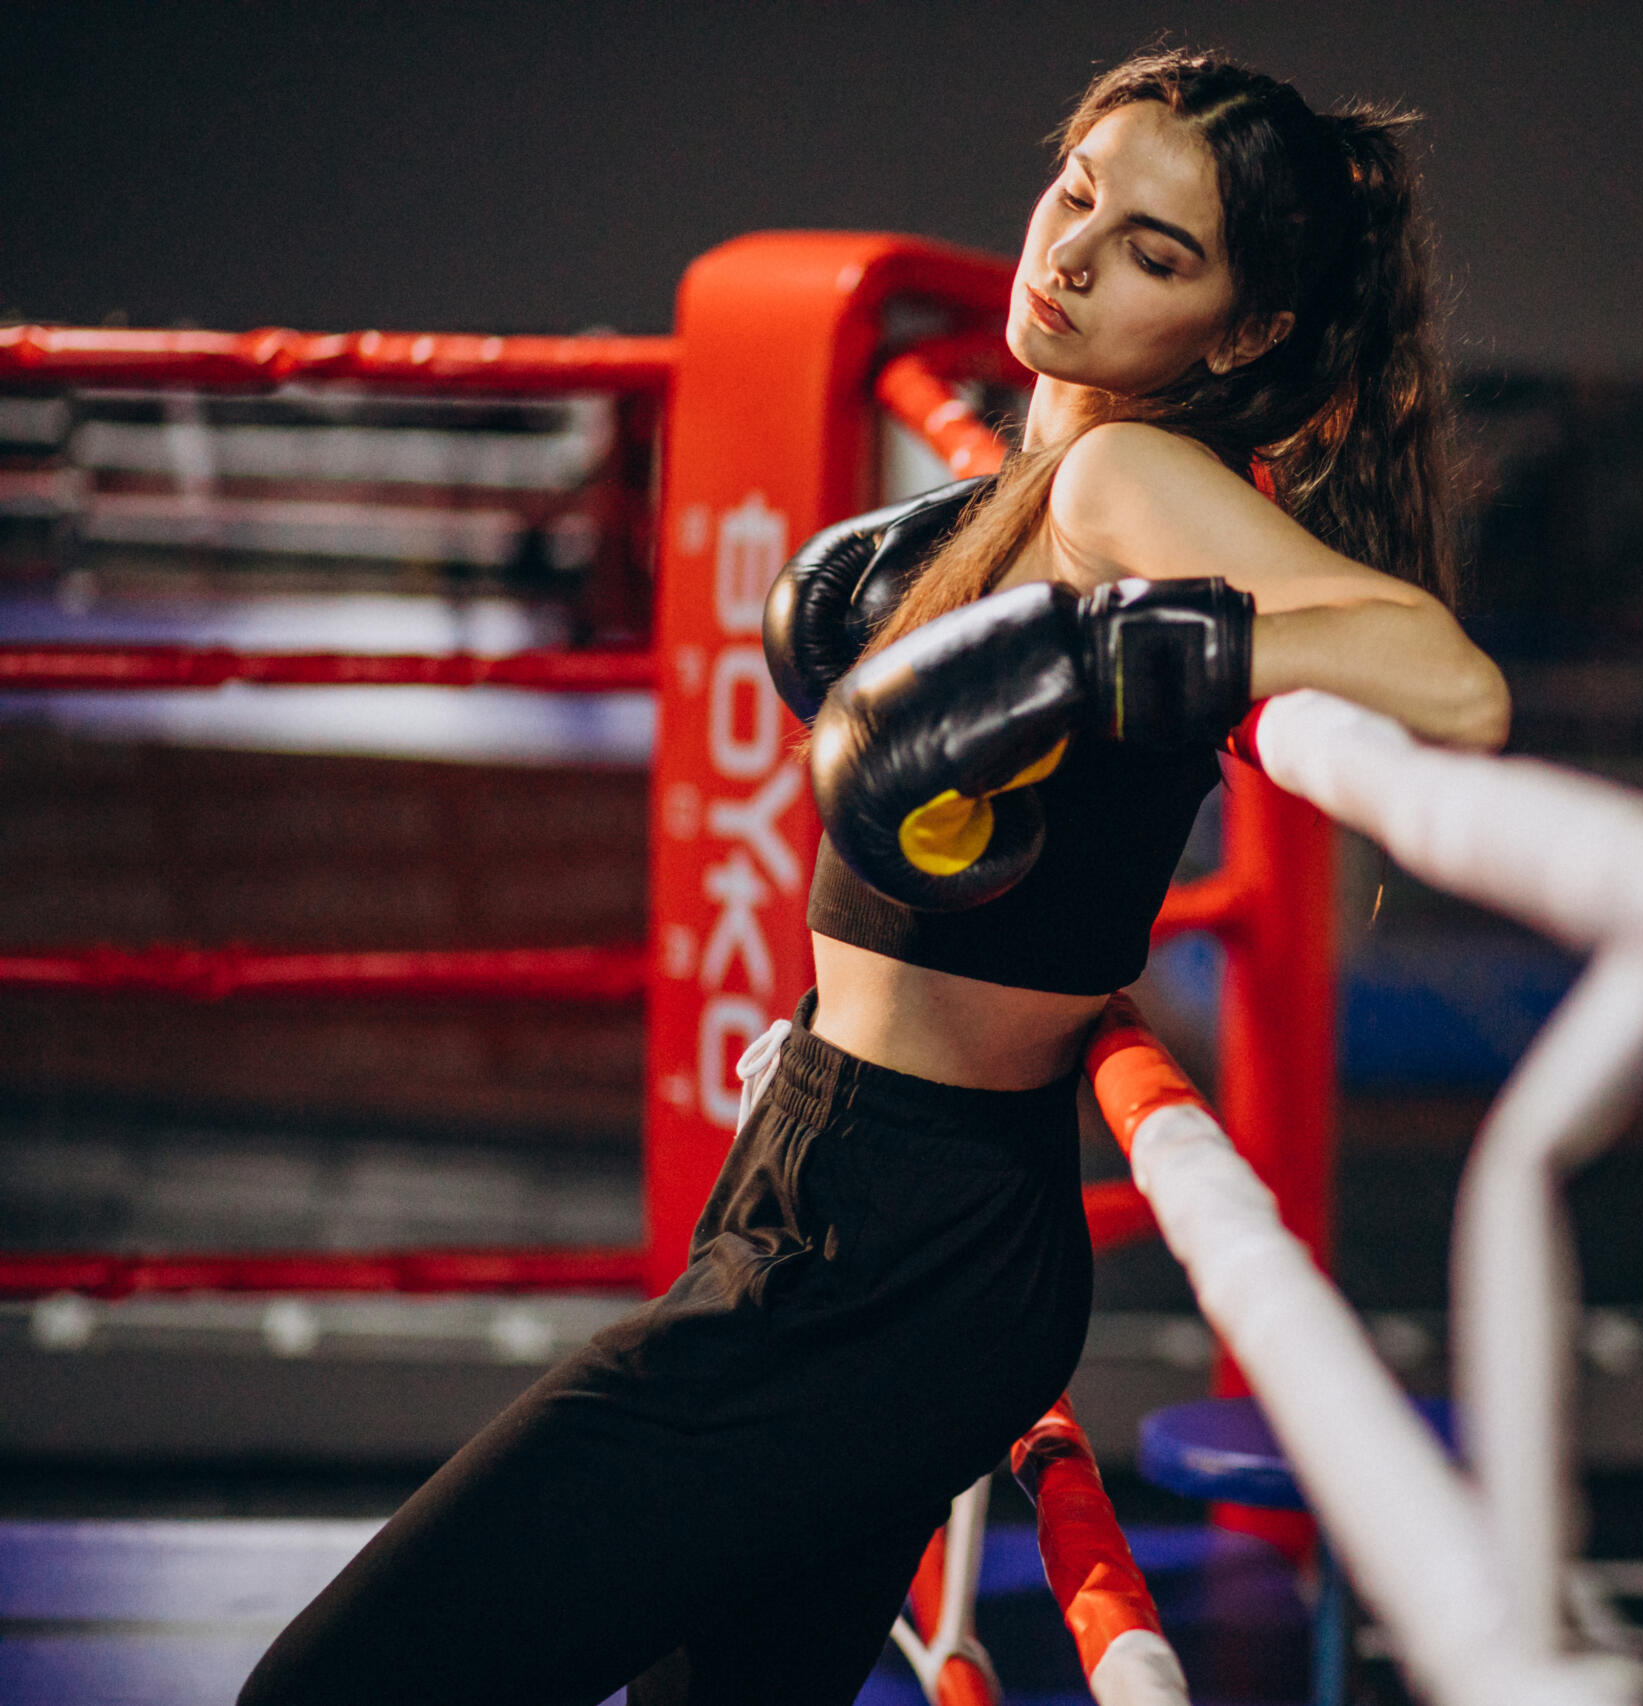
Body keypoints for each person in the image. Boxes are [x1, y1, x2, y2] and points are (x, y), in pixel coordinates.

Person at [240, 47, 1506, 1706]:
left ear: (1246, 331)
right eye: (1078, 196)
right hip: (847, 1183)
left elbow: (1453, 682)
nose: (1071, 254)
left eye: (1155, 251)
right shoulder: (1021, 486)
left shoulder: (1132, 481)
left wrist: (1127, 649)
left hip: (897, 1240)